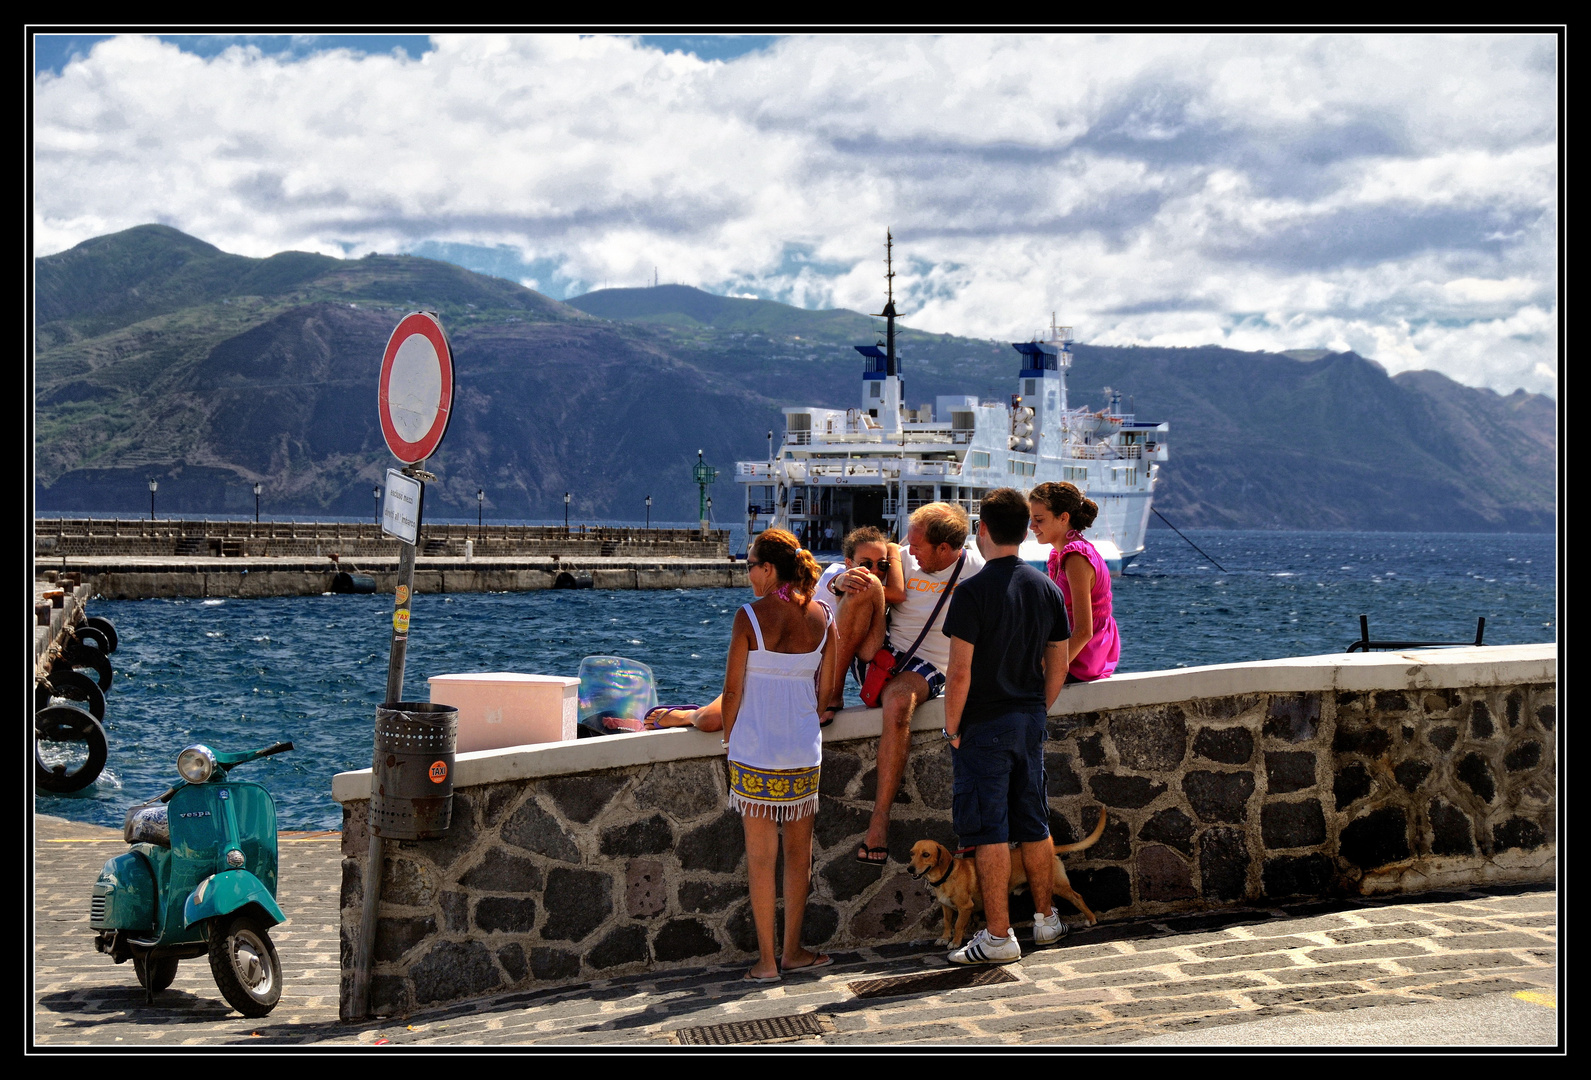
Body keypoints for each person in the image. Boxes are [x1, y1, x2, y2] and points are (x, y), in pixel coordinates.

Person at [939, 487, 1071, 964]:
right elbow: (1059, 657)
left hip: (984, 726)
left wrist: (951, 727)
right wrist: (1040, 706)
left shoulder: (971, 593)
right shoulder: (1046, 588)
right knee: (1033, 823)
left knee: (989, 831)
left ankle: (999, 937)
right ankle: (1045, 920)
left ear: (984, 531)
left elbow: (959, 672)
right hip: (1029, 720)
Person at [718, 528, 837, 982]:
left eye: (750, 566)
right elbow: (826, 693)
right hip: (803, 752)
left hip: (755, 751)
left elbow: (732, 691)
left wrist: (730, 740)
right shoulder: (824, 617)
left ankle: (766, 962)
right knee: (798, 857)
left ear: (769, 569)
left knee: (762, 860)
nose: (748, 574)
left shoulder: (748, 616)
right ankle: (794, 951)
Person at [849, 503, 984, 866]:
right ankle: (824, 695)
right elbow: (844, 573)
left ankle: (879, 819)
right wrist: (841, 582)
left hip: (927, 666)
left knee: (897, 705)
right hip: (881, 653)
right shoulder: (902, 558)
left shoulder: (976, 572)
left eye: (919, 545)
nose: (910, 549)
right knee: (862, 590)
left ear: (945, 548)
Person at [1027, 482, 1120, 683]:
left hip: (1082, 657)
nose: (1032, 526)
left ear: (1063, 517)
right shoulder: (1061, 554)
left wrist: (1049, 672)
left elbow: (1084, 631)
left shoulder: (1076, 557)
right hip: (1069, 650)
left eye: (1039, 519)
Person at [814, 526, 905, 719]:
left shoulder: (877, 581)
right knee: (865, 584)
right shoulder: (836, 572)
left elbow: (897, 593)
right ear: (849, 563)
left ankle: (832, 696)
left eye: (881, 565)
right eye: (866, 563)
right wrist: (840, 582)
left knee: (868, 584)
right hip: (821, 660)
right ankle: (832, 695)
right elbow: (834, 583)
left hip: (866, 653)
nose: (874, 571)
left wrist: (893, 553)